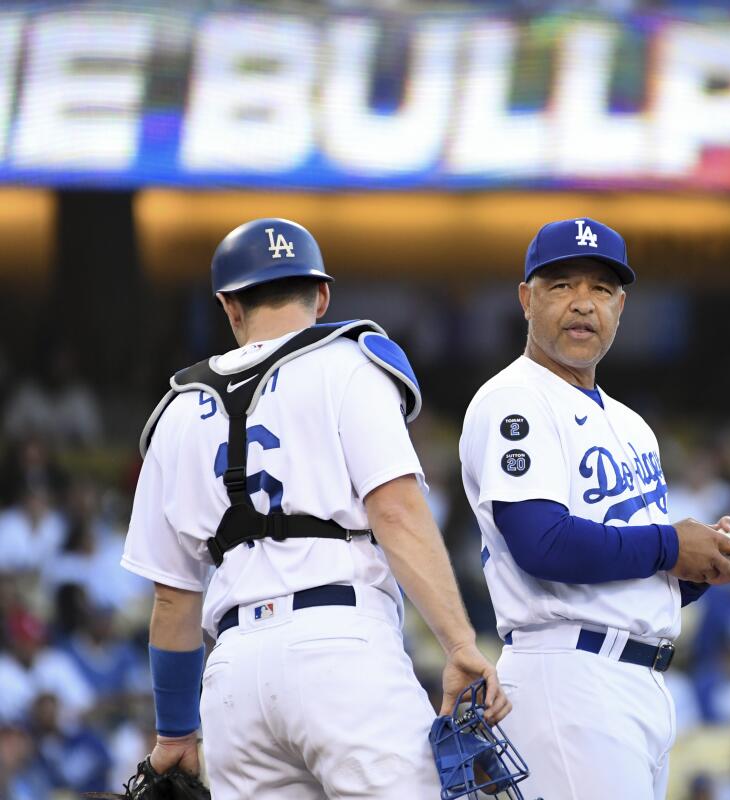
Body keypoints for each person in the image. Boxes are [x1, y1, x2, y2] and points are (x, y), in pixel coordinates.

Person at [121, 218, 508, 798]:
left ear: (230, 306)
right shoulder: (347, 363)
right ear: (322, 295)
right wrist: (458, 643)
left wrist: (176, 732)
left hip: (233, 677)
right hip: (340, 646)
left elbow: (173, 597)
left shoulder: (176, 412)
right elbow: (397, 513)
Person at [459, 217, 730, 799]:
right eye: (561, 285)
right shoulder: (515, 397)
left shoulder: (631, 424)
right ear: (526, 299)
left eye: (600, 288)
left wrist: (705, 566)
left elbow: (634, 567)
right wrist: (675, 545)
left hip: (635, 682)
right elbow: (540, 543)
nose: (582, 303)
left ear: (620, 307)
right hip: (569, 678)